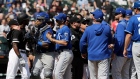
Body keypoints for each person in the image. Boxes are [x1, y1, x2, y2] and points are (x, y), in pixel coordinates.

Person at [80, 9, 112, 79]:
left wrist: (83, 52)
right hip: (103, 55)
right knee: (102, 76)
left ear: (94, 18)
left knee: (93, 77)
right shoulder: (107, 28)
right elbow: (110, 41)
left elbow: (82, 42)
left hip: (92, 55)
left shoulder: (88, 29)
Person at [46, 13, 73, 79]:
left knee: (57, 74)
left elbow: (65, 42)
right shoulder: (59, 30)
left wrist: (52, 39)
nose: (56, 21)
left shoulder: (65, 28)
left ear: (62, 21)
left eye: (58, 19)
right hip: (61, 53)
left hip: (65, 52)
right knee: (66, 76)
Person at [31, 12, 55, 79]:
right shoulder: (36, 28)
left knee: (47, 74)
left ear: (44, 20)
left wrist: (36, 41)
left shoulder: (48, 30)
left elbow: (46, 45)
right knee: (35, 73)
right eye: (37, 19)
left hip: (48, 53)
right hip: (39, 53)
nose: (37, 21)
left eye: (39, 19)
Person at [111, 7, 132, 79]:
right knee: (125, 75)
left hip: (121, 53)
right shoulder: (128, 23)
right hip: (129, 52)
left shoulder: (120, 24)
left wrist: (114, 52)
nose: (114, 14)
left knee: (116, 73)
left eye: (116, 13)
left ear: (120, 14)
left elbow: (120, 41)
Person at [123, 1, 140, 79]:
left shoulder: (133, 19)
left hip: (137, 45)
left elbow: (129, 35)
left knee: (138, 70)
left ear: (136, 9)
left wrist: (125, 48)